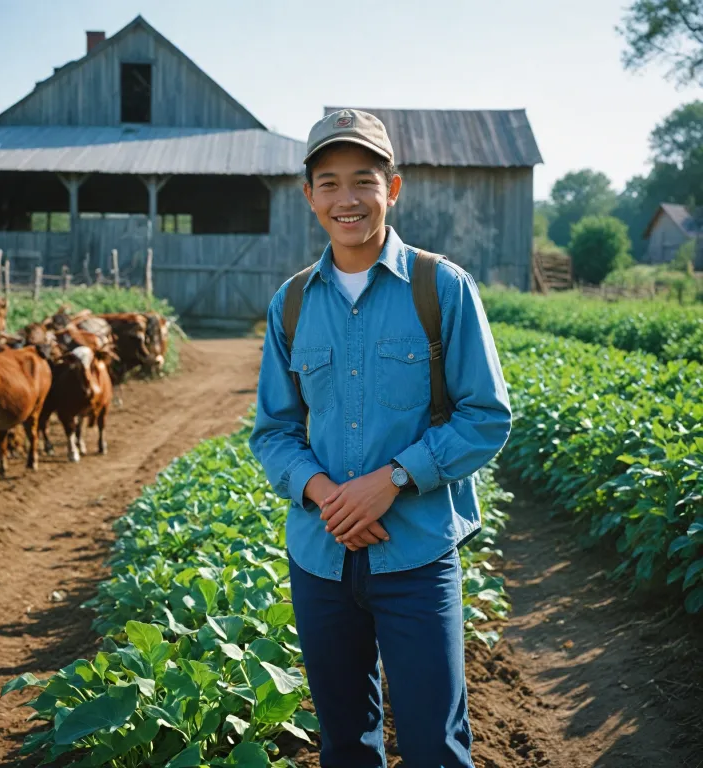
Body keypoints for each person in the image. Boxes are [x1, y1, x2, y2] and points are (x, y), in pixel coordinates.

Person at [248, 108, 512, 768]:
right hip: (320, 559)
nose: (347, 200)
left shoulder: (441, 288)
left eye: (362, 181)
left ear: (392, 188)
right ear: (309, 196)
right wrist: (326, 494)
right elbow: (273, 431)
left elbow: (487, 416)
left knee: (433, 745)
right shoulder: (292, 303)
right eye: (329, 183)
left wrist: (391, 480)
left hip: (417, 559)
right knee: (343, 744)